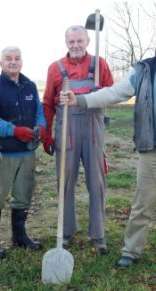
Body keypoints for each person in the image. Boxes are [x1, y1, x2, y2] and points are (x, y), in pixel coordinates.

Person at [60, 23, 156, 275]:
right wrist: (82, 100)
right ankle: (131, 251)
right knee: (143, 204)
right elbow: (115, 93)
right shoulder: (145, 70)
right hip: (152, 149)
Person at [42, 25, 115, 254]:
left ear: (87, 41)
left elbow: (112, 94)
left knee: (97, 182)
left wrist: (95, 94)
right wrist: (46, 134)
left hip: (93, 130)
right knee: (65, 182)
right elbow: (47, 103)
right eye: (71, 41)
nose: (75, 45)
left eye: (79, 41)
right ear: (66, 43)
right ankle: (66, 232)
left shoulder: (99, 64)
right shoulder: (56, 68)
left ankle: (98, 234)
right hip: (68, 131)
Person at [0, 47, 45, 258]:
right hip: (3, 153)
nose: (13, 62)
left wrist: (41, 127)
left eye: (17, 58)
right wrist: (14, 130)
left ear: (22, 62)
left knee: (23, 195)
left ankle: (19, 236)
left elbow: (39, 111)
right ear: (0, 62)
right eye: (8, 59)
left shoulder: (30, 85)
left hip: (27, 153)